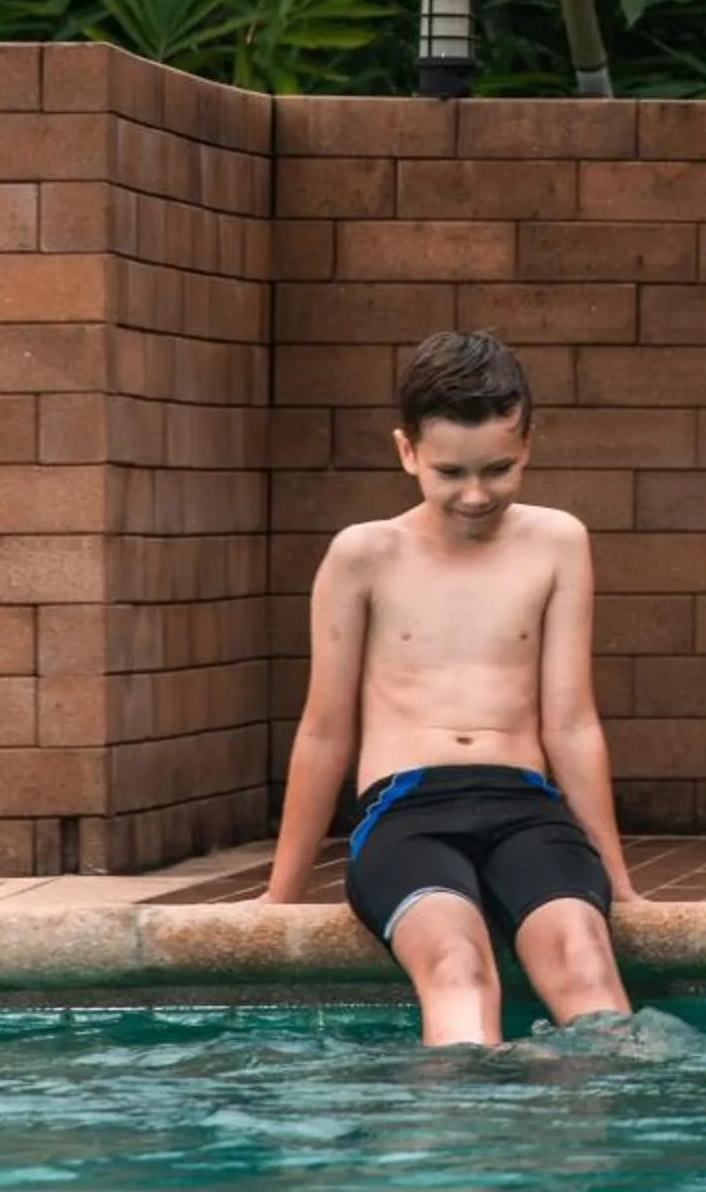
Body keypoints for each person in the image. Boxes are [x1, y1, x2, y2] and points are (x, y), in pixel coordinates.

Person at [263, 331, 640, 1046]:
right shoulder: (364, 555)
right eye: (450, 472)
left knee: (584, 960)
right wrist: (282, 897)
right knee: (458, 964)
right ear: (407, 451)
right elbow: (324, 730)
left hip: (526, 804)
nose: (475, 494)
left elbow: (572, 724)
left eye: (498, 469)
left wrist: (618, 883)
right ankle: (460, 1143)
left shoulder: (558, 542)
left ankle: (596, 1135)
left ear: (528, 444)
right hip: (407, 811)